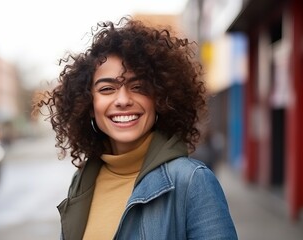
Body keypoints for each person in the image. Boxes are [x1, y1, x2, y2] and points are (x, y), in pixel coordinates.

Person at [33, 16, 238, 240]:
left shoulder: (192, 181)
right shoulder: (81, 181)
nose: (122, 100)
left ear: (159, 98)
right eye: (107, 88)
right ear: (89, 105)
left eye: (138, 86)